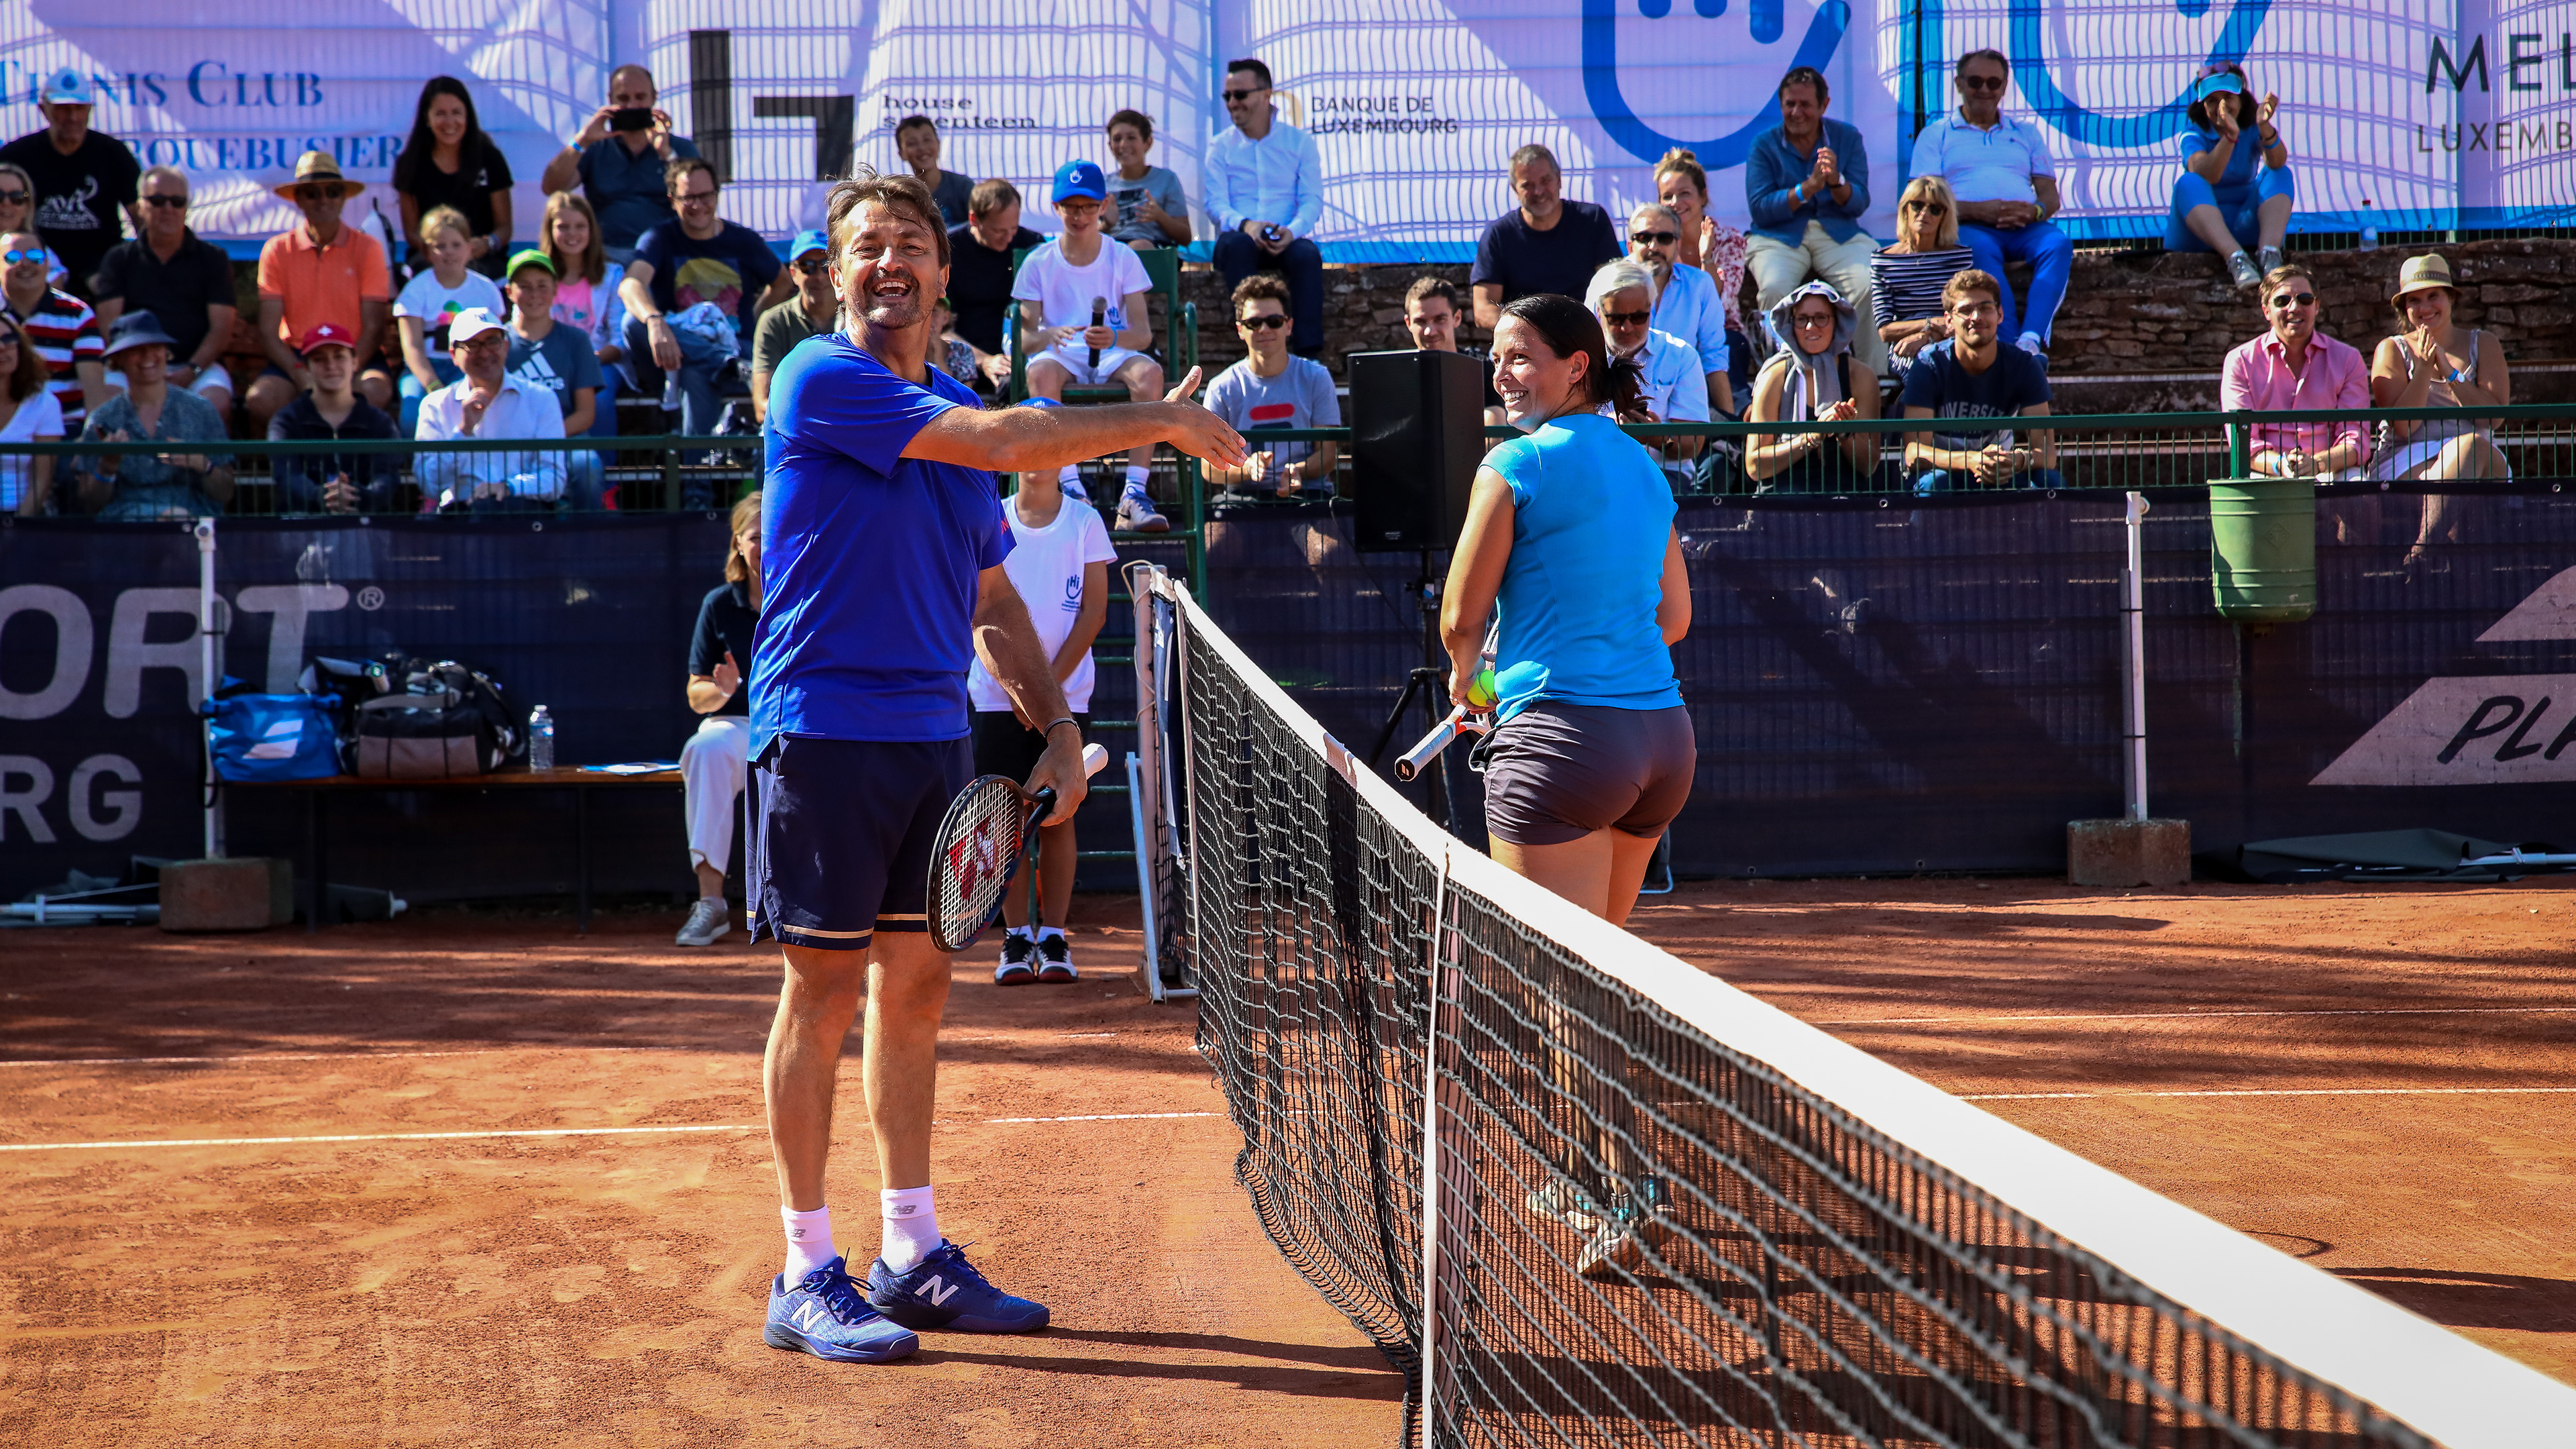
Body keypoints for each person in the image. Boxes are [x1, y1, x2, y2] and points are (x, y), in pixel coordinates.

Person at [747, 166, 1243, 1365]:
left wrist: (1058, 727)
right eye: (866, 245)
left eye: (909, 242)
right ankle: (805, 1266)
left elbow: (991, 598)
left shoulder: (945, 402)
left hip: (930, 734)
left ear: (943, 269)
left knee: (915, 995)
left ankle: (908, 1253)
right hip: (820, 728)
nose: (890, 263)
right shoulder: (819, 379)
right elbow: (1006, 436)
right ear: (833, 273)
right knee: (820, 996)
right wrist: (1164, 420)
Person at [1438, 292, 1693, 1281]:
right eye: (1497, 357)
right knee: (1585, 974)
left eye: (1521, 357)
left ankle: (1631, 1187)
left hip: (1562, 753)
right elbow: (1671, 619)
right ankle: (1588, 1170)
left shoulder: (1513, 465)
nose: (1504, 372)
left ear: (1576, 365)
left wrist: (1470, 680)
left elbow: (1463, 612)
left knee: (1563, 986)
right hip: (1660, 747)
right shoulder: (1644, 465)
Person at [965, 465, 1116, 983]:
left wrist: (1044, 698)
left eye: (1052, 445)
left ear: (1066, 459)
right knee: (1004, 820)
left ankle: (1053, 936)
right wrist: (1016, 690)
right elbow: (978, 606)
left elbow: (1094, 612)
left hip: (1065, 705)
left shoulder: (1085, 521)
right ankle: (1015, 938)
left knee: (1059, 818)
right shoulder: (990, 517)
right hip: (992, 700)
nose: (1039, 457)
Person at [1013, 160, 1167, 531]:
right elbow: (1024, 340)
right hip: (1062, 353)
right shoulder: (1038, 262)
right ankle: (1070, 486)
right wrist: (1049, 335)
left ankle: (1133, 494)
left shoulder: (1123, 256)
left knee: (1150, 374)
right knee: (1040, 372)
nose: (1079, 216)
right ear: (1057, 209)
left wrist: (1113, 337)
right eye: (1070, 207)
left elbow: (1143, 334)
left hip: (1113, 352)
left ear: (1103, 205)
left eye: (1087, 206)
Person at [1909, 50, 2068, 359]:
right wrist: (1979, 210)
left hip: (2025, 226)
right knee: (1979, 252)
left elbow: (2050, 196)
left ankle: (2031, 339)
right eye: (1975, 81)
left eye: (1993, 83)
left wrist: (2033, 211)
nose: (1984, 90)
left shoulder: (2026, 133)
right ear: (1959, 84)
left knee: (2058, 245)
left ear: (2004, 87)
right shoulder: (1936, 134)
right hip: (1967, 226)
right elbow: (1924, 196)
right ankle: (2008, 347)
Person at [619, 158, 790, 440]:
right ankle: (725, 363)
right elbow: (630, 285)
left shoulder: (743, 240)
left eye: (705, 195)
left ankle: (696, 481)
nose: (698, 205)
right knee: (633, 324)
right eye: (689, 198)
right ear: (673, 200)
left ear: (717, 194)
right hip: (680, 347)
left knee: (695, 373)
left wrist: (756, 318)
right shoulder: (660, 237)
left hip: (736, 345)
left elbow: (783, 283)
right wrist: (655, 321)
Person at [2369, 254, 2506, 566]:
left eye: (2434, 296)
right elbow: (2405, 428)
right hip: (2408, 458)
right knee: (2466, 469)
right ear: (2405, 309)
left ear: (2451, 299)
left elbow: (2493, 418)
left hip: (2479, 457)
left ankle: (2422, 552)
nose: (2425, 307)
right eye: (2414, 300)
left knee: (2473, 446)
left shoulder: (2484, 344)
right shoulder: (2391, 349)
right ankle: (2437, 557)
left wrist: (2450, 372)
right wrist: (2423, 370)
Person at [1745, 66, 1881, 373]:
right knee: (1775, 290)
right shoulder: (1763, 144)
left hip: (1838, 233)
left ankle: (1873, 382)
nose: (1796, 112)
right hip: (1778, 236)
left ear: (1824, 105)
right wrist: (1805, 190)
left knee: (1870, 284)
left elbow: (1859, 202)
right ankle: (1777, 383)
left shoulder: (1847, 137)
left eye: (1805, 104)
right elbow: (1760, 209)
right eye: (1789, 104)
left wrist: (1836, 182)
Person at [248, 152, 395, 433]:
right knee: (261, 400)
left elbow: (374, 327)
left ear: (343, 197)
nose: (324, 199)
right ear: (299, 199)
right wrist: (301, 374)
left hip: (353, 356)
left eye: (333, 192)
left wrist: (344, 371)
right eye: (313, 193)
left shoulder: (368, 248)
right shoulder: (277, 250)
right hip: (299, 356)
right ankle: (289, 473)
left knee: (373, 392)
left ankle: (358, 473)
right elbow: (268, 329)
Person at [676, 490, 763, 949]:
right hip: (734, 726)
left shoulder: (808, 595)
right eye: (755, 537)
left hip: (799, 726)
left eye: (774, 536)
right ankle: (711, 903)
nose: (764, 547)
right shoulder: (718, 605)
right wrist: (724, 690)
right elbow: (697, 695)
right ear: (737, 544)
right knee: (704, 748)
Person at [93, 166, 236, 419]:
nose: (168, 209)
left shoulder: (213, 259)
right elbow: (109, 326)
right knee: (108, 403)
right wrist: (138, 370)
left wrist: (190, 371)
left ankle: (203, 462)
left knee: (213, 406)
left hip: (196, 367)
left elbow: (221, 329)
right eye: (158, 201)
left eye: (177, 202)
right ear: (141, 206)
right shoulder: (118, 260)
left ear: (187, 206)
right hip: (133, 366)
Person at [1900, 269, 2059, 492]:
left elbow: (2047, 454)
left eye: (1986, 308)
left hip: (2002, 473)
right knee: (1934, 483)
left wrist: (2016, 461)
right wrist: (1971, 460)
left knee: (2050, 481)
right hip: (1946, 473)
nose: (1977, 317)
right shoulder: (1929, 364)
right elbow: (1914, 452)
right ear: (1949, 321)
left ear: (2000, 314)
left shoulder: (2024, 365)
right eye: (1965, 310)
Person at [1206, 58, 1325, 356]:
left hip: (1284, 238)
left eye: (1240, 95)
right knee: (1237, 246)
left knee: (1307, 255)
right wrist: (1247, 226)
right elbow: (1215, 203)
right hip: (1238, 238)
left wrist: (1292, 231)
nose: (1232, 103)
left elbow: (1312, 199)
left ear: (1266, 94)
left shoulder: (1299, 142)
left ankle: (1308, 357)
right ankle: (1250, 348)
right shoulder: (1220, 146)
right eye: (1227, 96)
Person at [76, 311, 233, 520]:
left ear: (167, 353)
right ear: (118, 359)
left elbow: (226, 492)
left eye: (156, 347)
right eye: (136, 350)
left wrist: (202, 464)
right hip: (126, 524)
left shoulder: (201, 410)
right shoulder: (103, 419)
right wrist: (107, 468)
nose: (148, 356)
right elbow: (90, 503)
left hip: (192, 521)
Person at [2220, 262, 2367, 482]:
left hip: (2331, 469)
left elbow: (2355, 441)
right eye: (2282, 301)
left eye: (2305, 299)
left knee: (2359, 486)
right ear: (2266, 310)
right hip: (2267, 470)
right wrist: (2280, 464)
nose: (2294, 307)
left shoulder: (2348, 359)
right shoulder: (2240, 361)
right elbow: (2244, 443)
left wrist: (2317, 463)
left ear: (2316, 307)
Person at [0, 69, 140, 297]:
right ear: (43, 109)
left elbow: (141, 216)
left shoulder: (114, 155)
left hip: (100, 263)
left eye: (79, 108)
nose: (72, 117)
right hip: (31, 258)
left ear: (90, 110)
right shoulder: (17, 156)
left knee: (112, 292)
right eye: (63, 109)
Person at [413, 307, 569, 510]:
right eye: (472, 345)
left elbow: (554, 479)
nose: (485, 353)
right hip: (461, 515)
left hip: (522, 512)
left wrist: (508, 487)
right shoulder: (434, 405)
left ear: (506, 346)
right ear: (454, 354)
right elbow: (429, 485)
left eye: (492, 342)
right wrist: (463, 431)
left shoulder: (541, 398)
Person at [539, 64, 697, 260]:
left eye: (640, 98)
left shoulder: (680, 149)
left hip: (664, 254)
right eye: (623, 99)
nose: (631, 106)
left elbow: (696, 201)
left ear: (654, 98)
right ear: (610, 101)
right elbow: (551, 187)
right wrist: (582, 140)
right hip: (605, 257)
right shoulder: (595, 149)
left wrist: (666, 154)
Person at [1204, 274, 1338, 498]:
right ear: (1240, 330)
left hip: (1308, 493)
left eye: (1274, 321)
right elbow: (1208, 468)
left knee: (1323, 536)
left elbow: (1327, 455)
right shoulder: (1222, 387)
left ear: (1289, 326)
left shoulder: (1316, 377)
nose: (1264, 329)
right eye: (1254, 323)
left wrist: (1297, 471)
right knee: (1217, 535)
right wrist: (1248, 469)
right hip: (1243, 497)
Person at [1745, 282, 1886, 493]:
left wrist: (1844, 433)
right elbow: (1755, 466)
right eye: (1802, 319)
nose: (1811, 327)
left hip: (1845, 498)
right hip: (1782, 498)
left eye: (1821, 318)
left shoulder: (1861, 377)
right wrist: (1813, 436)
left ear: (1838, 323)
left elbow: (1869, 466)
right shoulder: (1774, 376)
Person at [2170, 64, 2294, 290]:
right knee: (2189, 182)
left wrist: (2264, 127)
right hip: (2198, 234)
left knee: (2279, 173)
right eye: (2212, 101)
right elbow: (2208, 175)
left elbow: (2278, 161)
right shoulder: (2192, 134)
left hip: (2243, 223)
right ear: (2203, 107)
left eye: (2228, 97)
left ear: (2243, 101)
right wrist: (2229, 137)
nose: (2222, 106)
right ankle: (2236, 260)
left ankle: (2269, 257)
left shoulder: (2253, 128)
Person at [1470, 145, 1621, 332]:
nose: (1539, 191)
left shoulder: (1593, 220)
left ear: (1559, 180)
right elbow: (1484, 309)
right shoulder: (1498, 235)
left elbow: (1614, 288)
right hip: (1523, 338)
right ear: (1514, 189)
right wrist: (1531, 333)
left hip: (1584, 333)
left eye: (1545, 180)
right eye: (1527, 185)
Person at [1587, 259, 1707, 490]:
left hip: (1663, 476)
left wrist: (1657, 437)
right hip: (1594, 472)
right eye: (1617, 318)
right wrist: (1605, 430)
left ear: (1651, 308)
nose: (1628, 327)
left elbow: (1693, 445)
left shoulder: (1680, 355)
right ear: (1599, 312)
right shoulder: (1580, 357)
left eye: (1638, 317)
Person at [392, 205, 507, 432]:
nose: (449, 252)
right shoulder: (415, 290)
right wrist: (433, 386)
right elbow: (412, 348)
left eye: (456, 245)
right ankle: (416, 466)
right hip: (426, 367)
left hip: (472, 365)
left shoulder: (486, 290)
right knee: (411, 414)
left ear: (469, 247)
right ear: (426, 252)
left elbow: (498, 342)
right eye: (440, 247)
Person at [502, 250, 605, 504]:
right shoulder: (498, 343)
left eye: (542, 286)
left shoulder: (576, 341)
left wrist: (544, 438)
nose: (535, 294)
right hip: (510, 441)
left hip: (567, 438)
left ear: (555, 289)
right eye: (525, 287)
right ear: (509, 292)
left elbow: (585, 413)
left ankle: (587, 538)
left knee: (588, 469)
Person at [266, 323, 401, 515]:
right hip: (304, 524)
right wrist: (320, 496)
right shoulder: (286, 421)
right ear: (306, 368)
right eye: (319, 360)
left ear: (355, 362)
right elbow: (287, 476)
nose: (331, 366)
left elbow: (386, 477)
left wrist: (357, 496)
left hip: (366, 522)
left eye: (339, 357)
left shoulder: (380, 421)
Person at [392, 76, 514, 274]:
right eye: (440, 114)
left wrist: (486, 244)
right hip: (431, 260)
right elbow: (412, 233)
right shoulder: (410, 163)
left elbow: (505, 228)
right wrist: (440, 249)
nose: (450, 122)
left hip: (482, 260)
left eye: (456, 113)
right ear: (427, 118)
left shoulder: (490, 157)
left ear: (468, 116)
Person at [1625, 201, 1732, 417]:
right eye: (1644, 238)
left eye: (1664, 238)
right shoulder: (1606, 285)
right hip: (1621, 406)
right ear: (1630, 246)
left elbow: (1713, 357)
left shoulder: (1700, 284)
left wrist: (1730, 426)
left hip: (1682, 408)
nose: (1654, 247)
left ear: (1678, 245)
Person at [1653, 148, 1753, 376]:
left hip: (1723, 333)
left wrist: (1706, 257)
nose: (1676, 202)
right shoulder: (1656, 246)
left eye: (1685, 193)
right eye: (1667, 196)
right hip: (1671, 336)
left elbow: (1720, 304)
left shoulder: (1730, 240)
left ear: (1703, 196)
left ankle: (1736, 409)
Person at [538, 193, 627, 437]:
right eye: (563, 227)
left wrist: (587, 363)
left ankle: (605, 474)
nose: (572, 234)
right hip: (547, 364)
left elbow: (620, 340)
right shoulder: (537, 275)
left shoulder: (612, 275)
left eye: (580, 226)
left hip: (600, 363)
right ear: (550, 230)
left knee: (600, 401)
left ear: (592, 230)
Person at [3, 229, 106, 433]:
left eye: (35, 256)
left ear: (48, 264)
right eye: (13, 257)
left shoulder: (79, 315)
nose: (25, 264)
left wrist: (88, 446)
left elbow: (95, 395)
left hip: (65, 431)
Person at [1871, 176, 1976, 367]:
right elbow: (1885, 330)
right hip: (1906, 346)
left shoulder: (1959, 259)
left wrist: (1927, 337)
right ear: (1905, 210)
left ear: (1945, 217)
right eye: (1917, 206)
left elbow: (1965, 315)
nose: (1925, 214)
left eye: (1935, 209)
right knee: (1922, 364)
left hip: (1951, 341)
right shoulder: (1884, 261)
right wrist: (1931, 325)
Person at [944, 178, 1041, 370]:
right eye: (998, 231)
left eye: (1014, 228)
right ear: (974, 219)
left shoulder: (1030, 244)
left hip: (1021, 353)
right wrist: (985, 361)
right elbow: (941, 329)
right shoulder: (949, 250)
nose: (1009, 238)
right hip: (967, 353)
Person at [752, 229, 837, 423]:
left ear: (837, 270)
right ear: (793, 273)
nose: (819, 276)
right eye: (807, 267)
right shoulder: (773, 322)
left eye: (825, 266)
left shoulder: (858, 319)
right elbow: (762, 405)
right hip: (794, 437)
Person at [1403, 276, 1505, 429]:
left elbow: (1495, 420)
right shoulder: (1397, 374)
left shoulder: (1480, 369)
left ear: (1457, 318)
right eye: (1421, 322)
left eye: (1440, 320)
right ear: (1408, 323)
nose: (1430, 331)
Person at [0, 311, 63, 516]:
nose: (2, 347)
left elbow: (41, 481)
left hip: (23, 517)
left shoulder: (44, 403)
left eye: (8, 339)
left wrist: (16, 528)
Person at [1104, 109, 1189, 251]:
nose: (1123, 145)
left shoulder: (1166, 180)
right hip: (1114, 250)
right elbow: (1088, 236)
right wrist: (1107, 224)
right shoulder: (1104, 184)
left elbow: (1185, 238)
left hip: (1155, 250)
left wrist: (1161, 216)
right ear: (1110, 146)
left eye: (1131, 138)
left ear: (1148, 142)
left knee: (1140, 246)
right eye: (1117, 139)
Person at [894, 115, 973, 227]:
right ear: (902, 154)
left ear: (938, 144)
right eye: (912, 144)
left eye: (927, 140)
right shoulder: (902, 196)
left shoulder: (963, 186)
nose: (922, 148)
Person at [0, 162, 68, 289]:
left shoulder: (41, 254)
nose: (6, 203)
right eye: (0, 196)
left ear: (27, 207)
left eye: (17, 198)